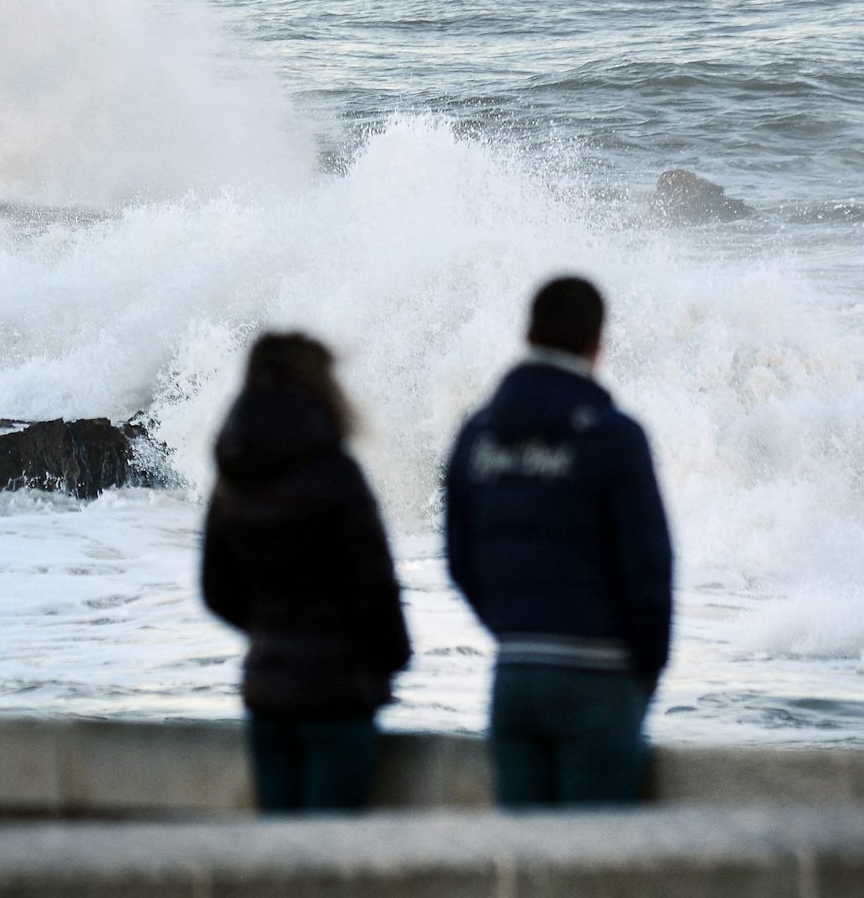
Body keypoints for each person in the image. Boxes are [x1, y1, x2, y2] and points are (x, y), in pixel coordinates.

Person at [443, 275, 674, 807]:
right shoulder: (613, 435)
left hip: (514, 674)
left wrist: (516, 628)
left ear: (528, 332)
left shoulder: (478, 432)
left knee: (525, 870)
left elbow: (460, 556)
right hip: (598, 675)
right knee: (591, 873)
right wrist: (643, 670)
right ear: (598, 342)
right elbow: (649, 569)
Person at [202, 332, 412, 813]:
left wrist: (273, 633)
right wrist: (391, 659)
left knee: (281, 862)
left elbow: (216, 589)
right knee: (330, 862)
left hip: (267, 689)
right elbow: (375, 585)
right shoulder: (335, 473)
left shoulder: (234, 474)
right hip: (337, 693)